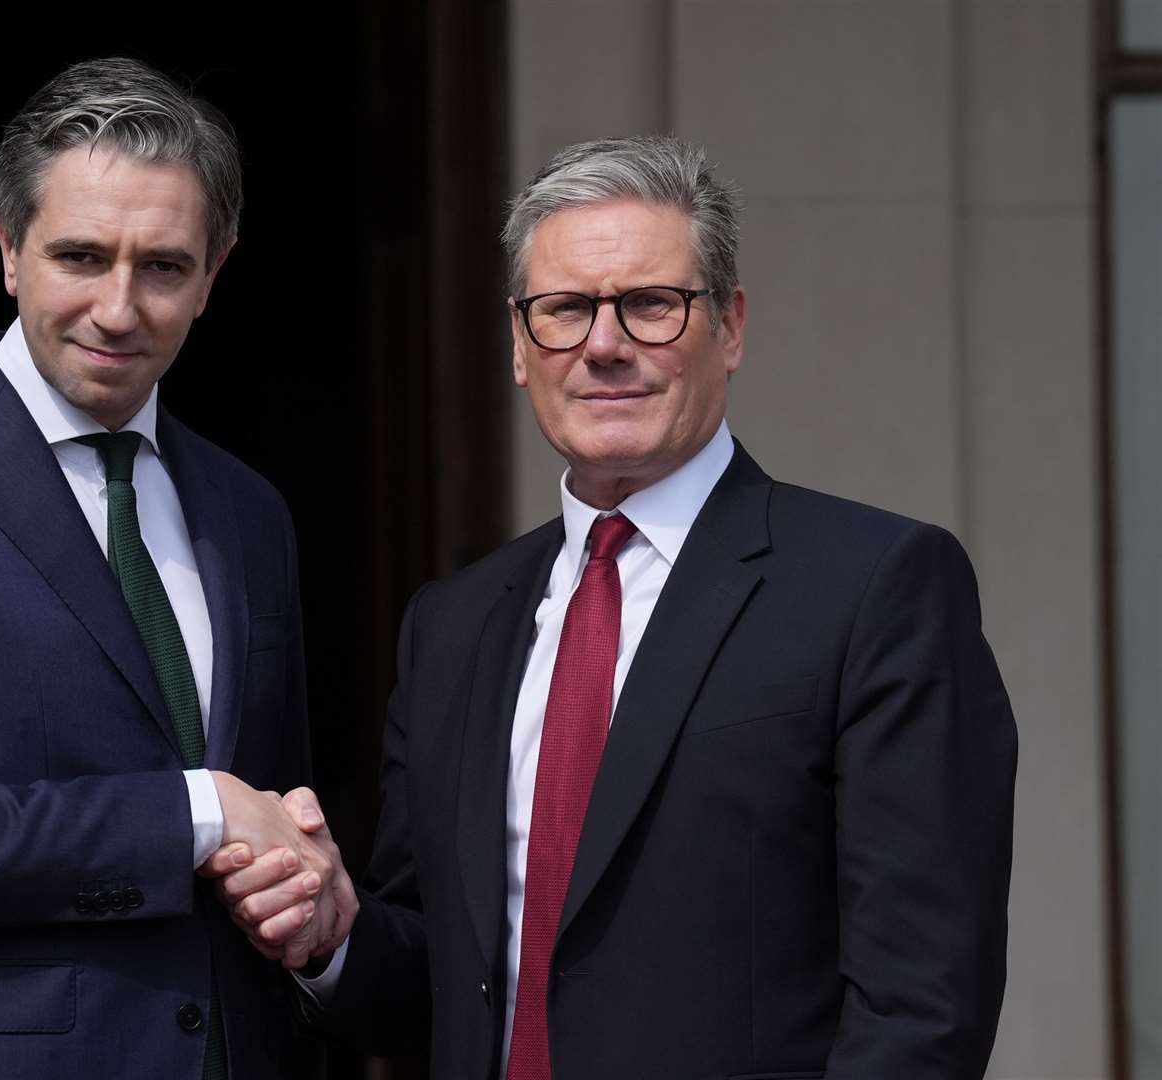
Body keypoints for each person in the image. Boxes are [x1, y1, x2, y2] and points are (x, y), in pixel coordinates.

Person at [215, 135, 1018, 1079]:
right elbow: (436, 976)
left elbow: (922, 1004)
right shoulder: (453, 624)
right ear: (520, 346)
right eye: (564, 310)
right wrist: (330, 934)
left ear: (730, 328)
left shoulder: (878, 586)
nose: (603, 345)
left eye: (651, 305)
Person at [0, 56, 351, 1079]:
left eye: (163, 266)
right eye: (81, 257)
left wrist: (307, 899)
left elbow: (272, 819)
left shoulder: (246, 511)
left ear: (215, 270)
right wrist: (198, 809)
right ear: (7, 249)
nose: (118, 309)